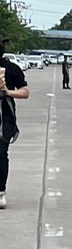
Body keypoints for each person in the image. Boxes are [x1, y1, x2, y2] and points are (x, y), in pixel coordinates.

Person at [0, 40, 28, 211]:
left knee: (1, 152)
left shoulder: (11, 69)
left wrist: (7, 92)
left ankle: (0, 191)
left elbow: (25, 92)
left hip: (5, 117)